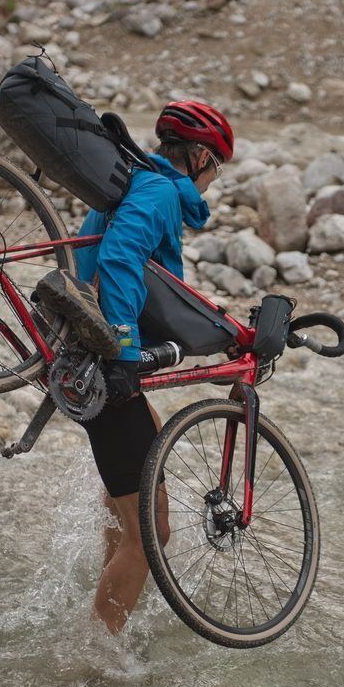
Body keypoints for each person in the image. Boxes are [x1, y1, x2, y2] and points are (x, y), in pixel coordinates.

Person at [36, 100, 234, 634]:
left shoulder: (138, 182)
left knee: (129, 511)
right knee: (154, 532)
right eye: (218, 165)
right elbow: (121, 261)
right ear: (197, 156)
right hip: (99, 363)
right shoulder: (163, 191)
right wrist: (123, 352)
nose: (216, 178)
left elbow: (131, 282)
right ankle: (97, 653)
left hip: (81, 357)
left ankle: (104, 617)